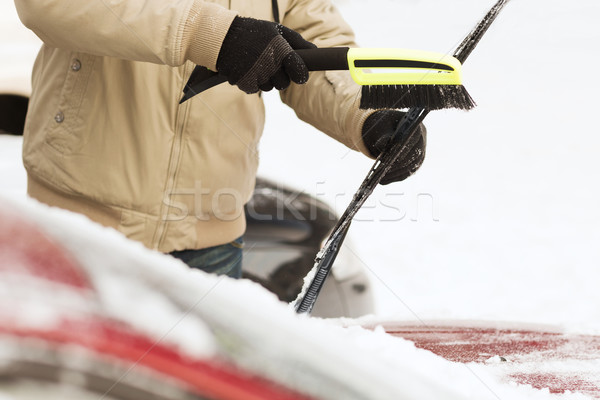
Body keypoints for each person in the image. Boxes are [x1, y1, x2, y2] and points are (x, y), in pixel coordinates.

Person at [15, 0, 426, 278]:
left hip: (211, 237)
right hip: (80, 226)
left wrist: (368, 112)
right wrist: (208, 34)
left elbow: (311, 37)